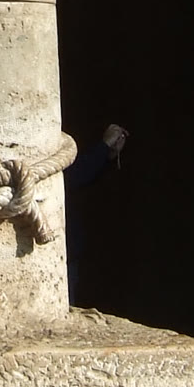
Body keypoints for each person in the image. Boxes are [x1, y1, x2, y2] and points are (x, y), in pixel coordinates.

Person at [63, 123, 128, 305]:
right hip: (57, 246)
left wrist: (107, 154)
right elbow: (69, 177)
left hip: (70, 245)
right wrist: (103, 148)